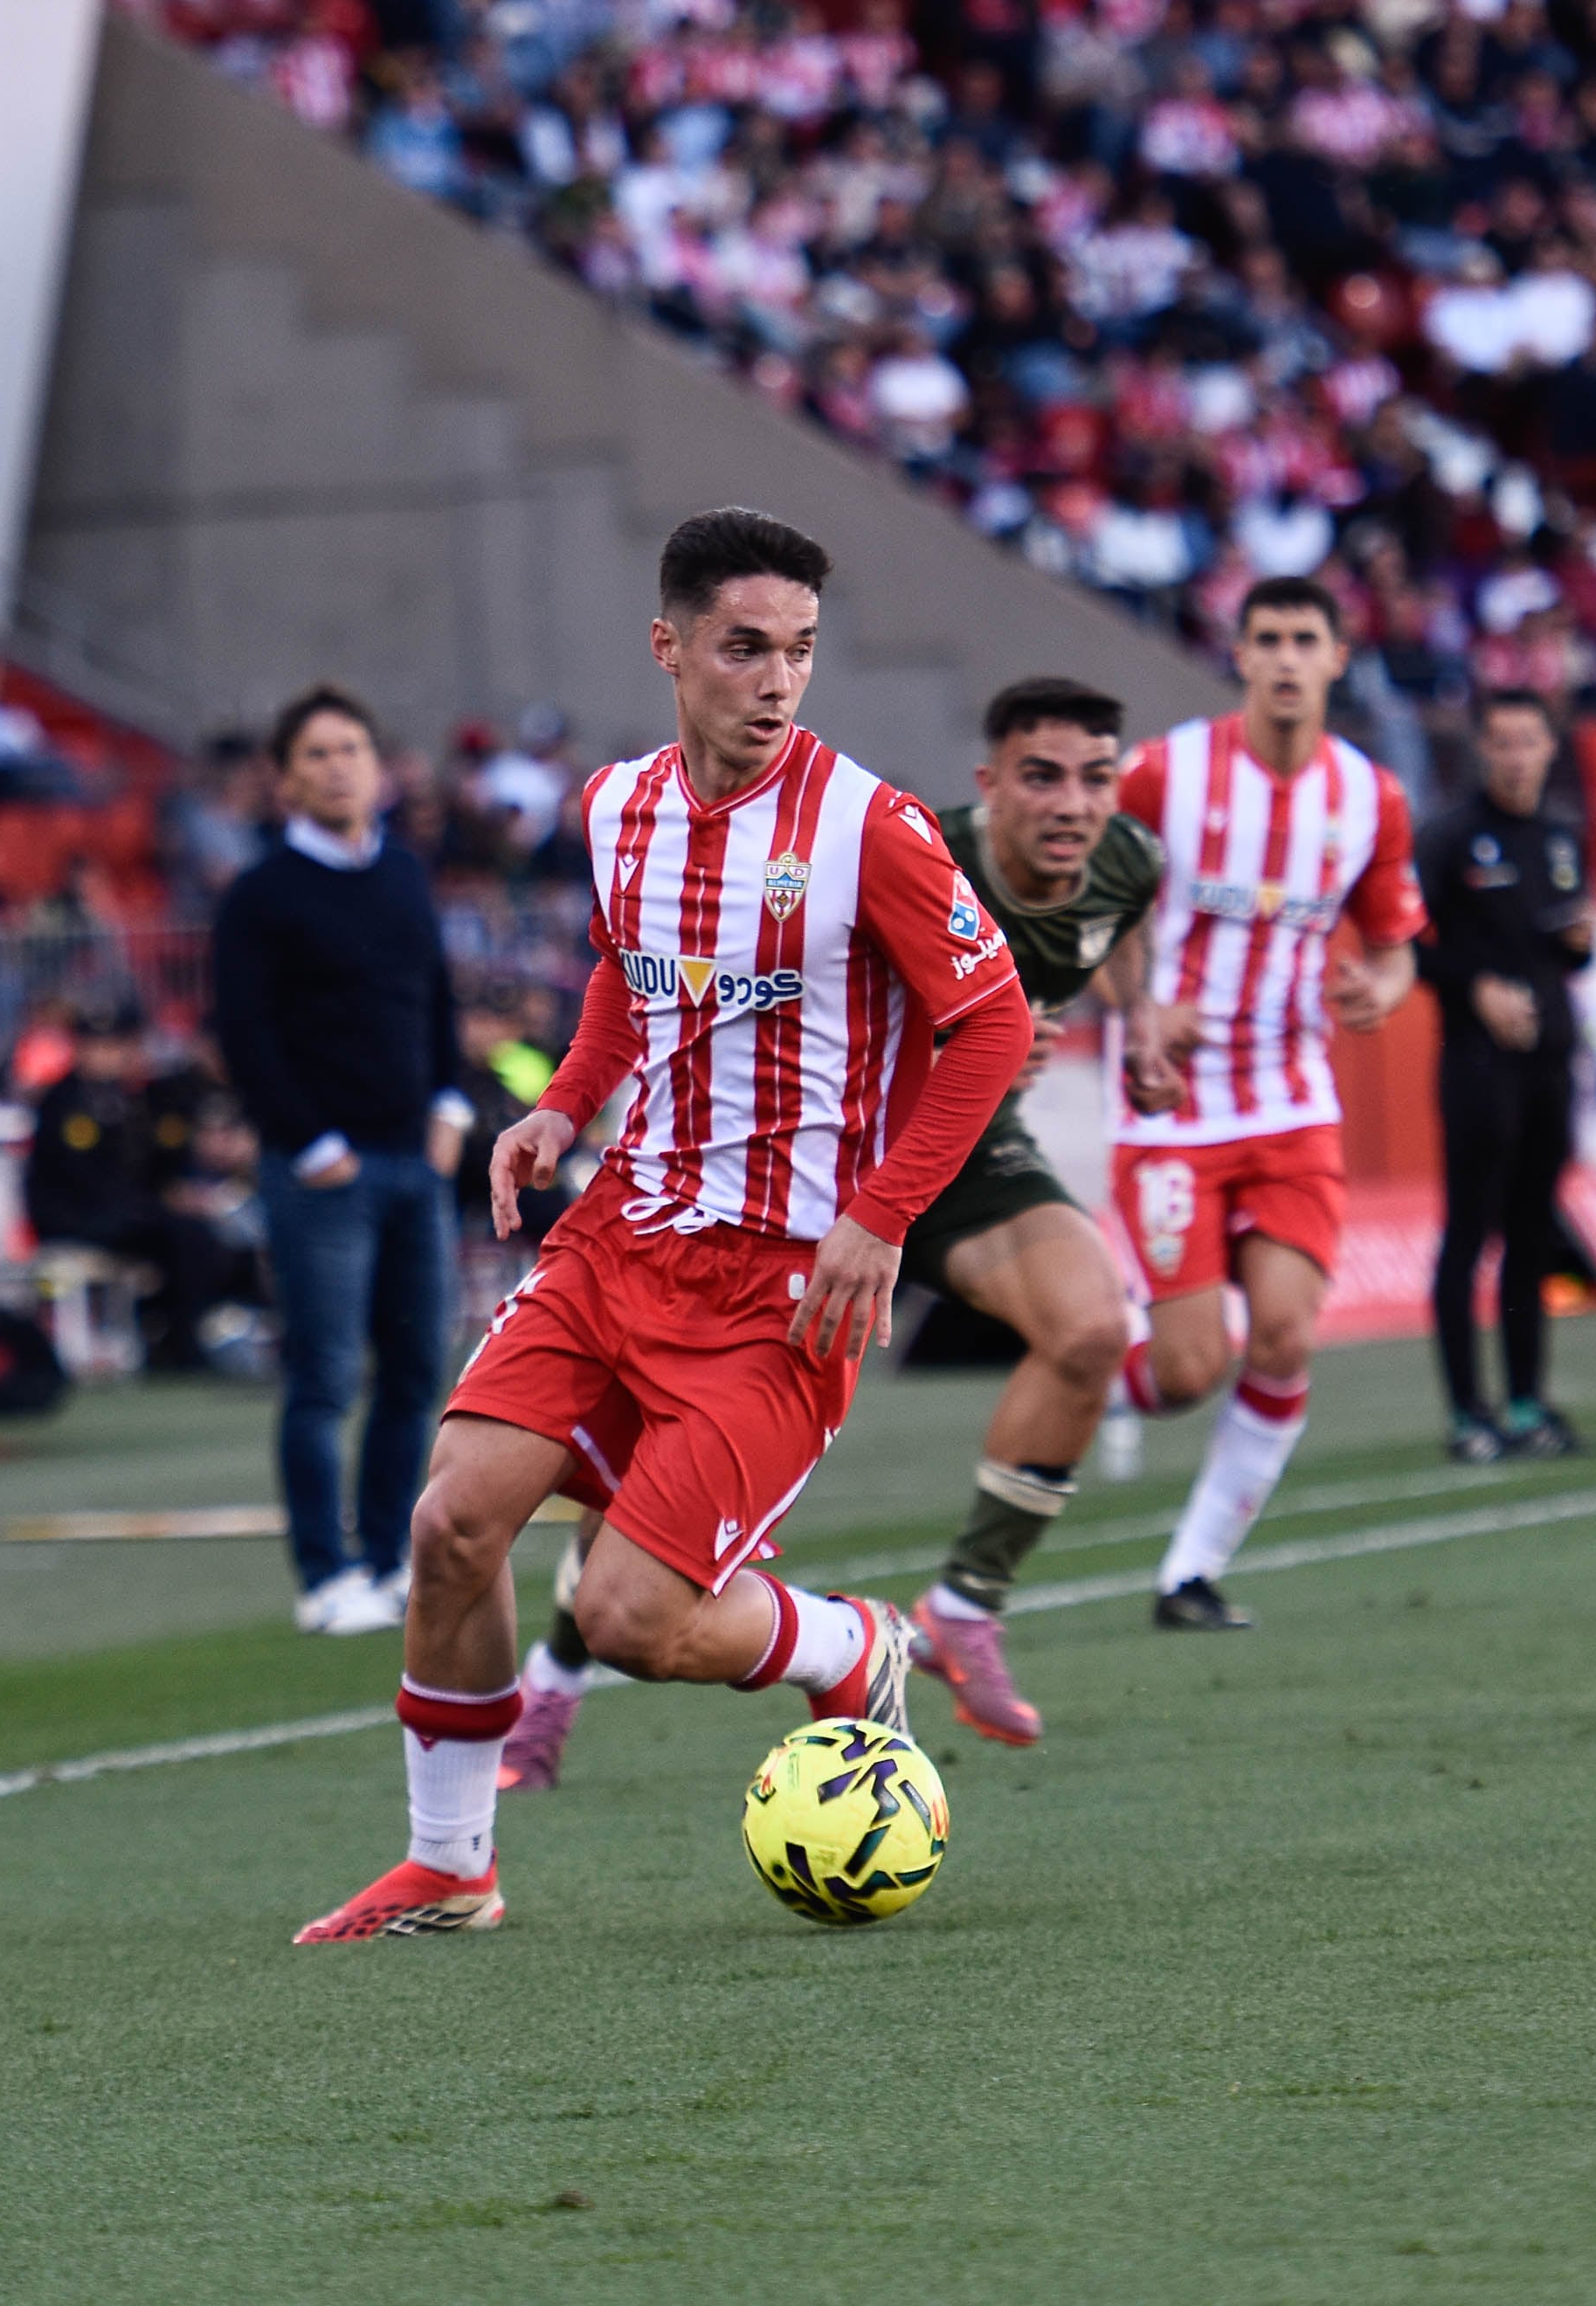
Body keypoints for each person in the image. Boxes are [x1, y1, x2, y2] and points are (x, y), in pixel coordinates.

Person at [289, 506, 1032, 1940]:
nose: (775, 682)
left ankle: (847, 1639)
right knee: (450, 1524)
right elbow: (630, 975)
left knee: (630, 1620)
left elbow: (990, 1020)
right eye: (745, 648)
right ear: (669, 647)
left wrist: (880, 1217)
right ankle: (452, 1867)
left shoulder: (864, 826)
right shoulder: (618, 805)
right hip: (623, 1239)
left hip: (779, 1292)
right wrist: (566, 1104)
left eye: (801, 652)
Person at [498, 673, 1164, 1784]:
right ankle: (555, 1685)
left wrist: (1138, 1024)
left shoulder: (1128, 864)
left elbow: (1084, 960)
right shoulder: (892, 836)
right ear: (988, 787)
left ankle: (963, 1607)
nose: (1071, 806)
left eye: (1097, 780)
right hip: (822, 1169)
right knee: (642, 1471)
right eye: (1042, 778)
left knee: (1096, 1328)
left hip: (958, 1147)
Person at [1109, 575, 1424, 1631]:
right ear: (1239, 656)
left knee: (1283, 1337)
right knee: (1192, 1367)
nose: (1286, 659)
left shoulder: (1368, 798)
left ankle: (1187, 1572)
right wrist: (1141, 1008)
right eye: (1267, 640)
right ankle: (1095, 1367)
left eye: (1305, 641)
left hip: (1291, 1103)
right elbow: (1085, 898)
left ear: (1337, 659)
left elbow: (1393, 950)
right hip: (1169, 1108)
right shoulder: (1166, 775)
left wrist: (1377, 991)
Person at [214, 686, 474, 1637]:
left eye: (353, 748)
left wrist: (450, 1104)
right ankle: (325, 1578)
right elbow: (245, 1036)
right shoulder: (260, 895)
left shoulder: (403, 874)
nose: (339, 767)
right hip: (324, 1173)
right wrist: (312, 1144)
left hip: (414, 1161)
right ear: (285, 780)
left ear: (379, 766)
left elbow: (436, 1001)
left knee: (415, 1373)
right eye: (318, 754)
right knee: (324, 1378)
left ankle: (386, 1558)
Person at [1415, 689, 1594, 1465]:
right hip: (1478, 1063)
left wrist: (1583, 945)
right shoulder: (1451, 836)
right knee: (1468, 1234)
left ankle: (1527, 1400)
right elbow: (1408, 941)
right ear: (1483, 749)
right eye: (1503, 741)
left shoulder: (1561, 835)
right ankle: (1468, 1412)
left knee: (1532, 1233)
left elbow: (1567, 947)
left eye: (1530, 740)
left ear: (1550, 748)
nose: (1517, 755)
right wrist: (1475, 986)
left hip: (1552, 1056)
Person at [24, 1004, 245, 1370]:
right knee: (183, 1235)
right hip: (74, 1215)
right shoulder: (67, 1101)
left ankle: (175, 1332)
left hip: (119, 1212)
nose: (107, 1054)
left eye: (115, 1044)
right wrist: (158, 1204)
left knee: (200, 1236)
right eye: (97, 1044)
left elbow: (156, 1160)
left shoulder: (131, 1098)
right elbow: (87, 1180)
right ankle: (182, 1342)